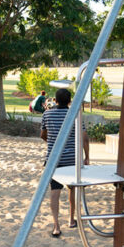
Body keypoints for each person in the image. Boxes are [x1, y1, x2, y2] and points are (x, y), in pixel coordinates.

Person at [40, 88, 89, 238]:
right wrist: (87, 157)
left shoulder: (47, 114)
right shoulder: (75, 114)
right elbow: (84, 137)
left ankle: (56, 226)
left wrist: (53, 142)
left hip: (54, 159)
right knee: (72, 189)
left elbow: (43, 134)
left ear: (55, 100)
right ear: (69, 101)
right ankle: (71, 219)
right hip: (72, 159)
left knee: (55, 192)